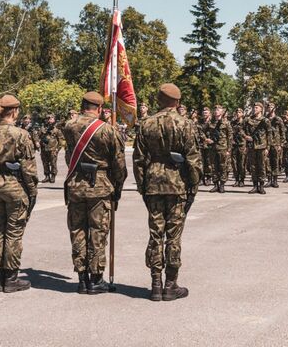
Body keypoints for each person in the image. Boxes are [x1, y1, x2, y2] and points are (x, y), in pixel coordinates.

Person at [133, 83, 201, 302]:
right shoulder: (185, 124)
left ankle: (155, 284)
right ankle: (170, 284)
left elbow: (139, 160)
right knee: (173, 235)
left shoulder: (146, 124)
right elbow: (193, 160)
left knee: (155, 234)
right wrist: (193, 186)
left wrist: (142, 186)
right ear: (177, 102)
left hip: (153, 184)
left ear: (159, 100)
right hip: (177, 183)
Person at [63, 91, 127, 294]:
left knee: (78, 231)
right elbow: (119, 164)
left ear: (83, 105)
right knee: (98, 233)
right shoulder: (107, 130)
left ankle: (82, 278)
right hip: (100, 186)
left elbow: (68, 156)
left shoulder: (69, 126)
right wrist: (117, 187)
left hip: (76, 184)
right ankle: (96, 278)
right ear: (99, 109)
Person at [0, 95, 38, 293]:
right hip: (14, 186)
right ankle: (11, 278)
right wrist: (32, 192)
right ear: (14, 111)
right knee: (13, 232)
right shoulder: (20, 134)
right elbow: (29, 169)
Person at [244, 102, 271, 194]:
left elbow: (269, 133)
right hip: (252, 146)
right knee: (253, 166)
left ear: (261, 109)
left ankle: (261, 186)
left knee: (262, 166)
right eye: (254, 107)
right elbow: (242, 130)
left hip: (262, 146)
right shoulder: (248, 120)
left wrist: (268, 147)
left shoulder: (265, 120)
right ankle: (255, 186)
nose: (254, 109)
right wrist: (246, 137)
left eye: (256, 107)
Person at [206, 105, 232, 193]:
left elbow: (230, 136)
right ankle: (215, 184)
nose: (216, 111)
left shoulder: (226, 123)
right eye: (215, 109)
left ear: (222, 112)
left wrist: (229, 149)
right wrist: (206, 139)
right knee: (213, 167)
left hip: (223, 148)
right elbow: (202, 131)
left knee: (223, 166)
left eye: (218, 109)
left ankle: (222, 185)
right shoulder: (210, 122)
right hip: (212, 148)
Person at [38, 114, 64, 183]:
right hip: (44, 149)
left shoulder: (56, 129)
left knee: (53, 163)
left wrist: (57, 150)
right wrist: (38, 143)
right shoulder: (42, 128)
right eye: (48, 118)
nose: (49, 120)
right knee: (45, 163)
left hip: (53, 150)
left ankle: (53, 176)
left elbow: (61, 141)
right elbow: (38, 136)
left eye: (51, 118)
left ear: (54, 119)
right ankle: (47, 176)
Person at [266, 102, 285, 187]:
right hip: (266, 143)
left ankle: (275, 180)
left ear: (274, 108)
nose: (270, 108)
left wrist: (281, 144)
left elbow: (282, 131)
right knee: (267, 162)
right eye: (269, 107)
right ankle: (269, 179)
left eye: (272, 107)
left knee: (275, 161)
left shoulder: (278, 119)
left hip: (276, 143)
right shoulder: (265, 119)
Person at [231, 108, 247, 187]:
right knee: (234, 164)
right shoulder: (232, 123)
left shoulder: (245, 123)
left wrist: (247, 145)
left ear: (242, 114)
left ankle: (242, 180)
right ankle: (237, 180)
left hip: (242, 145)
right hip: (234, 145)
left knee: (242, 164)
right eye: (237, 112)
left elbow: (247, 133)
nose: (238, 113)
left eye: (240, 112)